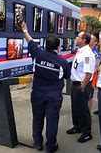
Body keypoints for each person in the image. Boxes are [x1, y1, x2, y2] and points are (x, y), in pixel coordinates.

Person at [21, 22, 71, 153]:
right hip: (54, 97)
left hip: (37, 94)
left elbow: (30, 41)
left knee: (37, 118)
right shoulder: (63, 62)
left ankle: (37, 143)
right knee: (52, 122)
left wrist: (25, 30)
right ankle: (50, 147)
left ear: (45, 45)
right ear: (58, 47)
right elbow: (67, 76)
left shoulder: (37, 54)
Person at [66, 32, 95, 143]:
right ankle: (77, 126)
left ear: (83, 40)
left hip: (82, 85)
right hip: (76, 84)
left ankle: (87, 133)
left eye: (78, 37)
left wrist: (83, 86)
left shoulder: (87, 54)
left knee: (83, 109)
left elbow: (88, 73)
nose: (76, 38)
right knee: (75, 107)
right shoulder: (81, 51)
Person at [89, 32, 101, 112]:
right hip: (82, 77)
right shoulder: (83, 50)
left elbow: (96, 68)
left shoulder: (96, 54)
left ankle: (87, 113)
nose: (88, 40)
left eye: (91, 39)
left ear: (95, 42)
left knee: (89, 96)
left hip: (91, 77)